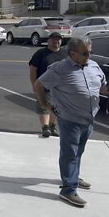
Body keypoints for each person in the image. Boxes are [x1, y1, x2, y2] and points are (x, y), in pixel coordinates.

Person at [34, 37, 108, 207]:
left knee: (78, 152)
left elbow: (103, 86)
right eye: (85, 53)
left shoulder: (94, 66)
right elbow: (39, 85)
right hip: (70, 119)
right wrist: (45, 104)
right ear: (73, 53)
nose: (89, 55)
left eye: (90, 51)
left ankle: (73, 176)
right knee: (69, 153)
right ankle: (68, 189)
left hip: (88, 119)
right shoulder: (59, 69)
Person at [29, 32, 66, 137]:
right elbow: (33, 69)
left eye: (58, 39)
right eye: (53, 39)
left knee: (57, 107)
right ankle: (45, 127)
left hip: (60, 87)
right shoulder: (40, 53)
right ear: (48, 41)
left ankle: (52, 125)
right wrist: (34, 85)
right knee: (43, 105)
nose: (56, 42)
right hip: (43, 85)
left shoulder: (65, 54)